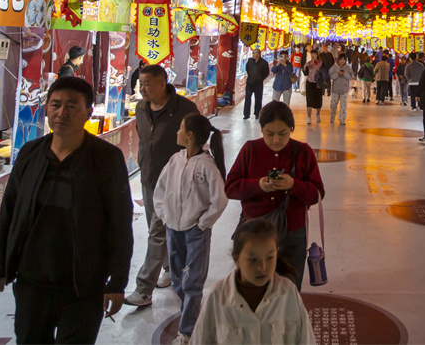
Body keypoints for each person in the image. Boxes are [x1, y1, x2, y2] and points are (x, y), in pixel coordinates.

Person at [0, 77, 133, 344]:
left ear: (89, 111)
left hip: (84, 285)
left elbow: (120, 223)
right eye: (55, 105)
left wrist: (117, 283)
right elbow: (9, 212)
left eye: (71, 106)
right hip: (32, 281)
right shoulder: (31, 153)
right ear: (46, 108)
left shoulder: (105, 158)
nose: (61, 113)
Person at [225, 102, 325, 290]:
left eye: (283, 133)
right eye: (269, 134)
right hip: (254, 233)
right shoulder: (250, 150)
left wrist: (294, 185)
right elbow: (230, 187)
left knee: (289, 290)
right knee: (253, 289)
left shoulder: (303, 152)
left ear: (292, 129)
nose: (276, 140)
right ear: (261, 129)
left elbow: (317, 193)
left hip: (292, 233)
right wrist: (258, 185)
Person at [126, 65, 200, 308]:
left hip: (172, 181)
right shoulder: (141, 107)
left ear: (162, 83)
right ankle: (170, 267)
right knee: (156, 228)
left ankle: (144, 288)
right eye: (140, 83)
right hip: (148, 178)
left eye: (147, 83)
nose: (142, 88)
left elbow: (198, 140)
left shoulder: (184, 109)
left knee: (157, 231)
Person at [153, 113, 228, 345]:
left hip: (196, 233)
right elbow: (160, 190)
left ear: (190, 135)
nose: (177, 132)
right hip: (173, 230)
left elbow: (220, 200)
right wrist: (165, 216)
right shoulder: (175, 160)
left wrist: (202, 224)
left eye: (180, 128)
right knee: (178, 280)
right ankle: (193, 315)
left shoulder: (207, 166)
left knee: (193, 282)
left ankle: (187, 332)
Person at [190, 219, 316, 344]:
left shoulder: (288, 293)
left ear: (276, 253)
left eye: (270, 257)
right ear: (236, 259)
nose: (262, 267)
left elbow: (306, 340)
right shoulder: (217, 297)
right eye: (253, 260)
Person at [328, 53, 354, 126]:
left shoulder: (348, 68)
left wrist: (345, 74)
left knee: (343, 105)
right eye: (341, 59)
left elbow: (351, 77)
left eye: (343, 59)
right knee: (333, 104)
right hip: (335, 89)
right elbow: (330, 76)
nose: (342, 61)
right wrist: (337, 73)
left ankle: (342, 119)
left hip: (344, 90)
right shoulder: (334, 67)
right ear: (338, 60)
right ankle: (332, 116)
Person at [244, 48, 270, 120]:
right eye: (252, 53)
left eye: (254, 53)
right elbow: (247, 69)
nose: (253, 55)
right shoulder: (249, 61)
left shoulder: (264, 63)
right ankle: (246, 114)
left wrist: (261, 78)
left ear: (258, 54)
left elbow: (267, 73)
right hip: (249, 83)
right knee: (247, 98)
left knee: (258, 99)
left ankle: (257, 113)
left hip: (258, 84)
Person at [302, 50, 326, 125]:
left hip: (318, 84)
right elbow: (305, 74)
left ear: (317, 55)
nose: (312, 56)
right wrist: (305, 67)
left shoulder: (321, 63)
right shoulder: (309, 63)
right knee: (309, 100)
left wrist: (318, 69)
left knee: (318, 101)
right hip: (309, 83)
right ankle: (309, 117)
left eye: (314, 54)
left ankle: (318, 114)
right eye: (311, 54)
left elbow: (325, 74)